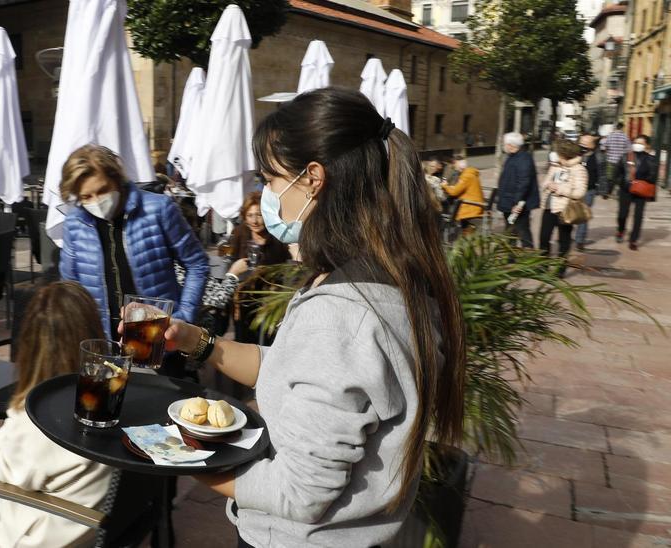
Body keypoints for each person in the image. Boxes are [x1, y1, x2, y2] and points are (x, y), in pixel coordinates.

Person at [153, 88, 464, 547]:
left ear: (312, 179)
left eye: (271, 180)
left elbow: (297, 493)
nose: (265, 195)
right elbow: (297, 370)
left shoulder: (342, 315)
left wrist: (170, 454)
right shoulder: (378, 278)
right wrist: (198, 342)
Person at [0, 281, 115, 547]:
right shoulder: (125, 388)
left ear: (30, 344)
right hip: (96, 522)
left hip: (41, 536)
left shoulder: (36, 424)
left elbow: (5, 473)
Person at [58, 144, 209, 376]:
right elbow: (70, 288)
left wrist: (184, 315)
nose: (96, 201)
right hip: (103, 347)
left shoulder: (158, 209)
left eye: (102, 190)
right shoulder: (75, 223)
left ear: (116, 179)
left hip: (160, 342)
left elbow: (196, 263)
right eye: (86, 197)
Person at [224, 192, 291, 343]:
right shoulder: (240, 232)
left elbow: (285, 268)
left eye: (259, 215)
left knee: (268, 342)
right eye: (250, 215)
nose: (254, 221)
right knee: (243, 340)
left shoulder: (277, 236)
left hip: (269, 301)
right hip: (244, 300)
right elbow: (230, 264)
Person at [538, 140, 588, 275]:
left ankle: (560, 269)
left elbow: (580, 192)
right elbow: (545, 182)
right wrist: (547, 185)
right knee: (544, 237)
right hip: (549, 207)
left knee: (563, 240)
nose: (556, 154)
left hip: (564, 210)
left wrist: (560, 189)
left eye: (559, 152)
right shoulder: (555, 166)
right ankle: (542, 266)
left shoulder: (579, 169)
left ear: (565, 154)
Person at [496, 132, 539, 247]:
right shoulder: (512, 157)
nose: (503, 146)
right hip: (509, 201)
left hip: (516, 204)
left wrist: (516, 202)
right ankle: (511, 259)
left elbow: (523, 182)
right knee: (510, 233)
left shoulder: (524, 158)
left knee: (522, 232)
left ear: (511, 145)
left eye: (504, 144)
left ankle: (529, 259)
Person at [617, 134, 658, 250]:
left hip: (641, 190)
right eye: (636, 142)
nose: (637, 145)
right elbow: (618, 172)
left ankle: (633, 240)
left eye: (641, 143)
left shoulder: (650, 159)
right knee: (622, 214)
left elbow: (653, 177)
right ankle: (621, 230)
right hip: (625, 189)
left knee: (638, 216)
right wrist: (622, 182)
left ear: (647, 145)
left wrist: (641, 181)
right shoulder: (626, 156)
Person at [441, 154, 485, 232]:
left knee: (446, 204)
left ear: (459, 165)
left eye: (455, 167)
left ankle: (447, 229)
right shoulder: (470, 173)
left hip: (470, 208)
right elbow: (460, 188)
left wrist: (445, 186)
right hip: (474, 206)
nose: (455, 169)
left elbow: (454, 192)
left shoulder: (466, 176)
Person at [575, 134, 602, 250]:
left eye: (586, 143)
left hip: (588, 191)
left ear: (593, 145)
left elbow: (602, 175)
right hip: (572, 189)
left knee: (583, 216)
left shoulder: (598, 157)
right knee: (570, 213)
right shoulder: (574, 155)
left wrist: (603, 190)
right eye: (582, 143)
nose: (583, 145)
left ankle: (580, 240)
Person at [601, 122, 631, 197]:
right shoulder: (625, 136)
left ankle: (607, 192)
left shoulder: (610, 136)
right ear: (622, 128)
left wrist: (607, 152)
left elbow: (603, 147)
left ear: (616, 127)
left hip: (610, 160)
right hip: (621, 161)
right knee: (619, 177)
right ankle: (619, 193)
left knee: (609, 176)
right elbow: (629, 149)